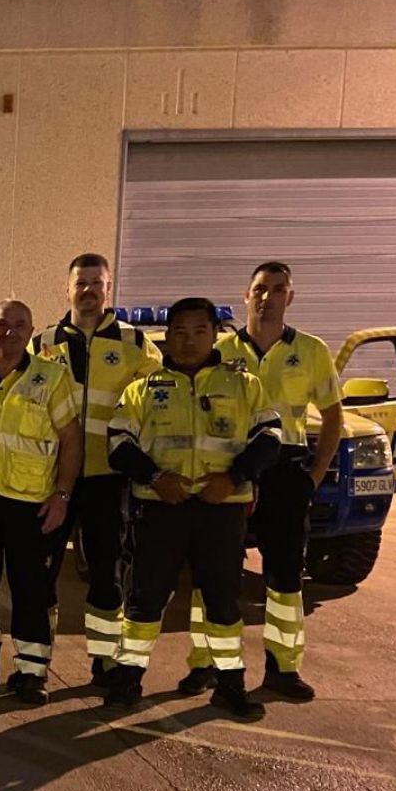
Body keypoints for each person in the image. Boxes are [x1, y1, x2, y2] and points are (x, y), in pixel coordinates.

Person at [106, 296, 282, 719]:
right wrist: (155, 478)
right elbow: (118, 443)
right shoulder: (143, 389)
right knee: (144, 601)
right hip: (160, 511)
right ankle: (127, 681)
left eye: (199, 331)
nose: (188, 341)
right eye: (179, 332)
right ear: (166, 337)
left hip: (220, 513)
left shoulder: (243, 385)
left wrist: (234, 477)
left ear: (214, 333)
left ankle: (229, 685)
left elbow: (271, 438)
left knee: (223, 604)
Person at [188, 261, 344, 702]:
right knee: (215, 572)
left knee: (285, 574)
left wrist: (314, 475)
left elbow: (333, 414)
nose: (266, 296)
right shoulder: (220, 349)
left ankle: (283, 668)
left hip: (286, 469)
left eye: (277, 289)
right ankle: (207, 665)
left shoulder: (311, 350)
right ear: (246, 295)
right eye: (259, 288)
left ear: (289, 297)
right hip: (230, 467)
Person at [29, 254, 163, 686]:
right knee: (41, 572)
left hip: (108, 480)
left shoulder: (135, 344)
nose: (88, 291)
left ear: (109, 289)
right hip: (52, 478)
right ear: (66, 289)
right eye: (80, 283)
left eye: (96, 283)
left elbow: (161, 401)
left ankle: (104, 663)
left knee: (107, 574)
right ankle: (35, 663)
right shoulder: (43, 343)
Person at [0, 300, 82, 705]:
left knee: (31, 588)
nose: (10, 332)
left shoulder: (52, 376)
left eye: (19, 325)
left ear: (31, 331)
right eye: (1, 325)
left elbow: (71, 439)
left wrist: (62, 495)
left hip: (31, 502)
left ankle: (31, 673)